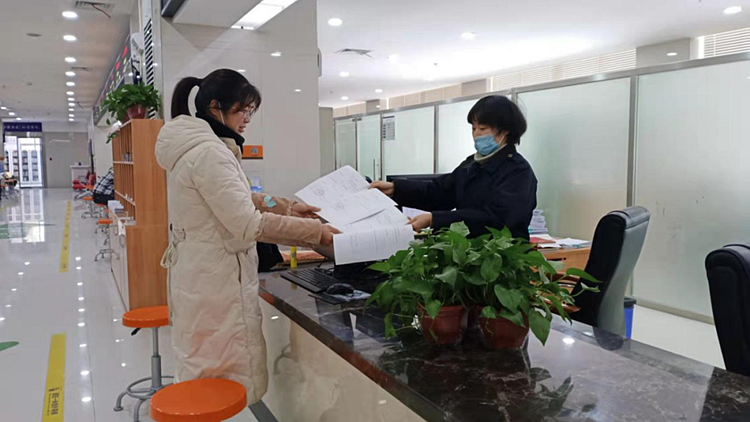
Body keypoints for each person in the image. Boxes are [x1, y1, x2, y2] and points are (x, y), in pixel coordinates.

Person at [154, 69, 339, 405]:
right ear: (216, 107)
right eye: (244, 110)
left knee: (207, 370)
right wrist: (316, 233)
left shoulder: (206, 148)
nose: (248, 120)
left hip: (204, 272)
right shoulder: (209, 153)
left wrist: (286, 206)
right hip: (214, 280)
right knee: (214, 379)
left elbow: (245, 198)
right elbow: (247, 223)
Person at [371, 95, 537, 239]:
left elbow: (497, 218)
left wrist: (435, 219)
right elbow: (437, 193)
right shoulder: (472, 164)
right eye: (473, 128)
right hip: (467, 253)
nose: (476, 134)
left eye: (482, 128)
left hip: (502, 257)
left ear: (505, 131)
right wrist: (395, 189)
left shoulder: (518, 171)